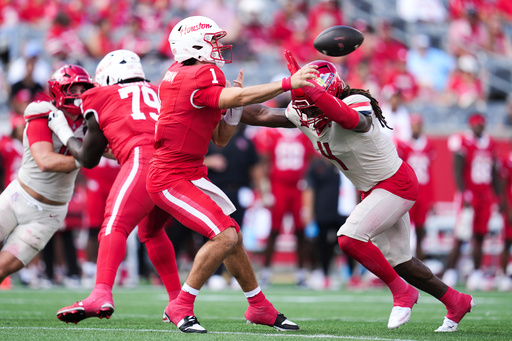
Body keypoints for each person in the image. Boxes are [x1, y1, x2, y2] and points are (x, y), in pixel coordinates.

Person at [240, 55, 475, 332]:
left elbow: (353, 121)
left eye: (314, 108)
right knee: (401, 262)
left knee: (349, 238)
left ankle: (402, 293)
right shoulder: (305, 110)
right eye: (305, 110)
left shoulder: (356, 102)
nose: (309, 117)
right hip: (373, 190)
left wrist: (314, 93)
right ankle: (456, 301)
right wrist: (226, 101)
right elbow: (262, 114)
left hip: (395, 183)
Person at [146, 16, 316, 333]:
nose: (218, 47)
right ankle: (180, 305)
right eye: (212, 40)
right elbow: (237, 98)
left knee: (232, 237)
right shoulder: (198, 73)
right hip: (170, 176)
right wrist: (287, 83)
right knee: (224, 235)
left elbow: (221, 139)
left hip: (189, 172)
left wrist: (233, 111)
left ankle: (260, 307)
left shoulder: (186, 73)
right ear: (193, 45)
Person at [49, 50, 182, 323]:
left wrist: (63, 130)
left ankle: (100, 292)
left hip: (143, 161)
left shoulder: (101, 95)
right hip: (175, 164)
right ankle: (178, 301)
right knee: (152, 232)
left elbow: (88, 158)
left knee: (113, 225)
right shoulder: (160, 90)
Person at [0, 64, 93, 287]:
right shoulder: (41, 112)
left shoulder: (91, 122)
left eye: (84, 89)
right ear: (58, 91)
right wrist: (86, 157)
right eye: (73, 89)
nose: (80, 95)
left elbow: (115, 150)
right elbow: (46, 161)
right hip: (18, 198)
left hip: (49, 215)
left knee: (2, 268)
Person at [253, 126, 316, 287]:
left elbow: (312, 161)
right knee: (274, 230)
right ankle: (266, 273)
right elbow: (264, 162)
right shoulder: (273, 134)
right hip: (278, 186)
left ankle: (301, 274)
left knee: (301, 231)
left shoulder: (305, 134)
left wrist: (308, 183)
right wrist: (265, 190)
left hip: (298, 187)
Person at [443, 113, 500, 291]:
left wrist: (497, 196)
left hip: (485, 195)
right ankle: (450, 271)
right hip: (469, 195)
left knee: (480, 235)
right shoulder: (464, 142)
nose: (479, 127)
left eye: (481, 124)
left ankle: (476, 273)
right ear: (470, 125)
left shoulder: (490, 144)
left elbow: (494, 173)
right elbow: (457, 170)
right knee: (461, 235)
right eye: (476, 125)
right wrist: (464, 192)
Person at [396, 113, 436, 261]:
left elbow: (430, 174)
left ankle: (420, 262)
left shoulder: (428, 145)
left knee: (420, 230)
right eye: (414, 125)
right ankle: (405, 262)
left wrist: (432, 199)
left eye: (418, 125)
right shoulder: (403, 145)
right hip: (409, 191)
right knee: (406, 229)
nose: (416, 128)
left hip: (423, 191)